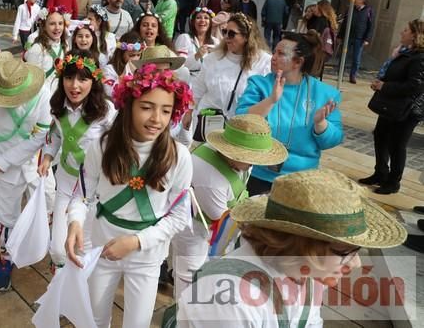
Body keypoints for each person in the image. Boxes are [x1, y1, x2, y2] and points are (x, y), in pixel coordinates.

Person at [178, 169, 407, 327]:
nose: (356, 263)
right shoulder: (226, 300)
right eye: (345, 252)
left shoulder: (306, 274)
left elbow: (309, 320)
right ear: (303, 245)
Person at [65, 62, 193, 328]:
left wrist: (136, 242)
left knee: (138, 322)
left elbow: (179, 217)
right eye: (147, 107)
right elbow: (82, 194)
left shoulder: (179, 157)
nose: (156, 118)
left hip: (147, 256)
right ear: (128, 106)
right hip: (102, 247)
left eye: (166, 110)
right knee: (94, 318)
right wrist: (75, 222)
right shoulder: (102, 146)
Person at [171, 114, 288, 295]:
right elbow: (223, 220)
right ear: (230, 153)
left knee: (207, 274)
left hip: (222, 220)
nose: (254, 162)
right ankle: (181, 316)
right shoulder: (211, 178)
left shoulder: (242, 162)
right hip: (196, 228)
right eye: (250, 157)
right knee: (189, 275)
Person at [0, 59, 51, 291]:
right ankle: (6, 258)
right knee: (6, 215)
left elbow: (42, 133)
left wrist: (6, 161)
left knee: (49, 203)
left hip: (35, 162)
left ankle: (46, 250)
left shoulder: (43, 92)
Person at [237, 31, 343, 196]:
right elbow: (241, 120)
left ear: (298, 62)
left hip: (303, 179)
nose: (273, 57)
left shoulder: (324, 94)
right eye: (274, 52)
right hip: (261, 174)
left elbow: (334, 139)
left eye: (281, 54)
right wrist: (271, 100)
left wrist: (321, 124)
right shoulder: (259, 84)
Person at [40, 49, 115, 270]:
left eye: (83, 79)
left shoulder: (106, 110)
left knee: (84, 245)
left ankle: (76, 290)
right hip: (64, 181)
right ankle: (61, 279)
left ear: (94, 81)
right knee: (57, 249)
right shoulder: (57, 107)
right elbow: (55, 134)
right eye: (69, 78)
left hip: (93, 188)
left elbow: (118, 142)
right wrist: (47, 156)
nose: (75, 86)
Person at [361, 18, 424, 194]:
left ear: (414, 35)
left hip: (407, 110)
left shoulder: (419, 58)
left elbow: (415, 86)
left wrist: (385, 86)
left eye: (406, 30)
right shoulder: (405, 53)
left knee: (397, 144)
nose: (401, 32)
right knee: (380, 136)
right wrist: (381, 82)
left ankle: (393, 182)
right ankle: (380, 173)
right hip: (392, 105)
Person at [192, 13, 271, 141]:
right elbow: (198, 88)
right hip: (208, 125)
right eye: (225, 32)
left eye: (232, 33)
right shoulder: (213, 58)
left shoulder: (263, 62)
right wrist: (189, 112)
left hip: (241, 129)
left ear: (246, 37)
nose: (226, 37)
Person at [25, 9, 67, 88]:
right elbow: (31, 82)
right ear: (44, 26)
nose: (57, 27)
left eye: (60, 23)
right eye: (52, 24)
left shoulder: (65, 45)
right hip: (44, 97)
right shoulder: (37, 49)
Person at [338, 0, 374, 84]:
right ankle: (340, 74)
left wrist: (366, 39)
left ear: (363, 1)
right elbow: (344, 23)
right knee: (343, 56)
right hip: (348, 36)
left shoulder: (368, 10)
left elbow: (370, 26)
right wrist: (340, 36)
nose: (355, 0)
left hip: (359, 38)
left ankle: (352, 75)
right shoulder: (350, 9)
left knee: (356, 58)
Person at [175, 7, 219, 79]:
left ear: (210, 23)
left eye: (206, 18)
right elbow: (179, 66)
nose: (202, 20)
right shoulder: (185, 38)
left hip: (209, 81)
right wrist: (196, 55)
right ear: (193, 22)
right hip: (189, 81)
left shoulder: (215, 42)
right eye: (198, 18)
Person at [102, 31, 145, 97]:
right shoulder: (109, 69)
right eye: (131, 55)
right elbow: (109, 93)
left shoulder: (142, 70)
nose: (136, 59)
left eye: (138, 55)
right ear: (121, 54)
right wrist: (124, 75)